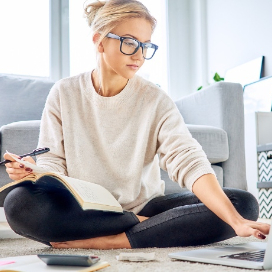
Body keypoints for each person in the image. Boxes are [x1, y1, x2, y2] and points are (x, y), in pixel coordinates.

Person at [3, 0, 269, 249]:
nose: (139, 55)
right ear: (99, 41)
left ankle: (114, 240)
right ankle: (147, 231)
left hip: (145, 207)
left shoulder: (155, 99)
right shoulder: (64, 93)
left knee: (242, 205)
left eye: (146, 45)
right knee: (19, 204)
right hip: (83, 208)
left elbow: (187, 159)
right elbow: (53, 162)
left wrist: (236, 221)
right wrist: (35, 172)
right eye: (129, 43)